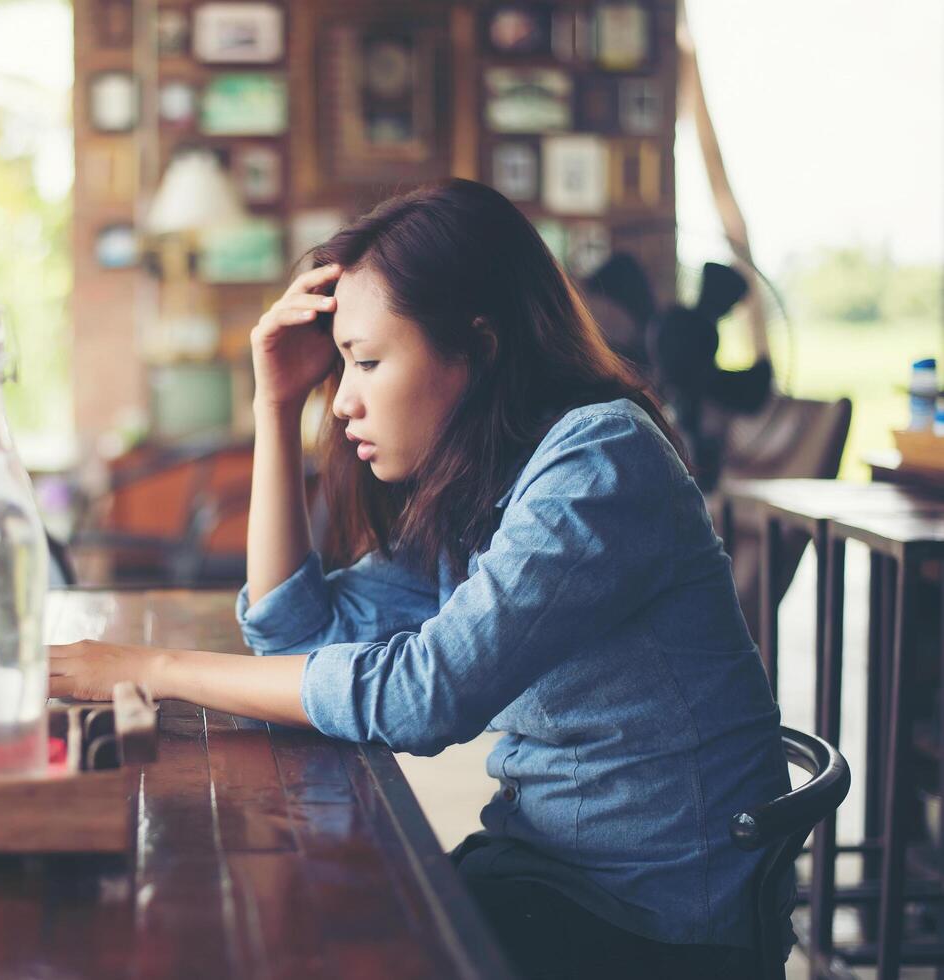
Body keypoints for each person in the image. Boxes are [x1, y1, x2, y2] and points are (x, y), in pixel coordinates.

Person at [50, 179, 790, 978]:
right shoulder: (488, 482)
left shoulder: (597, 462)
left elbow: (422, 695)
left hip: (658, 924)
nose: (344, 403)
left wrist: (152, 669)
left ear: (477, 345)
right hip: (550, 873)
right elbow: (293, 634)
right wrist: (275, 403)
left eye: (366, 362)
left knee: (295, 937)